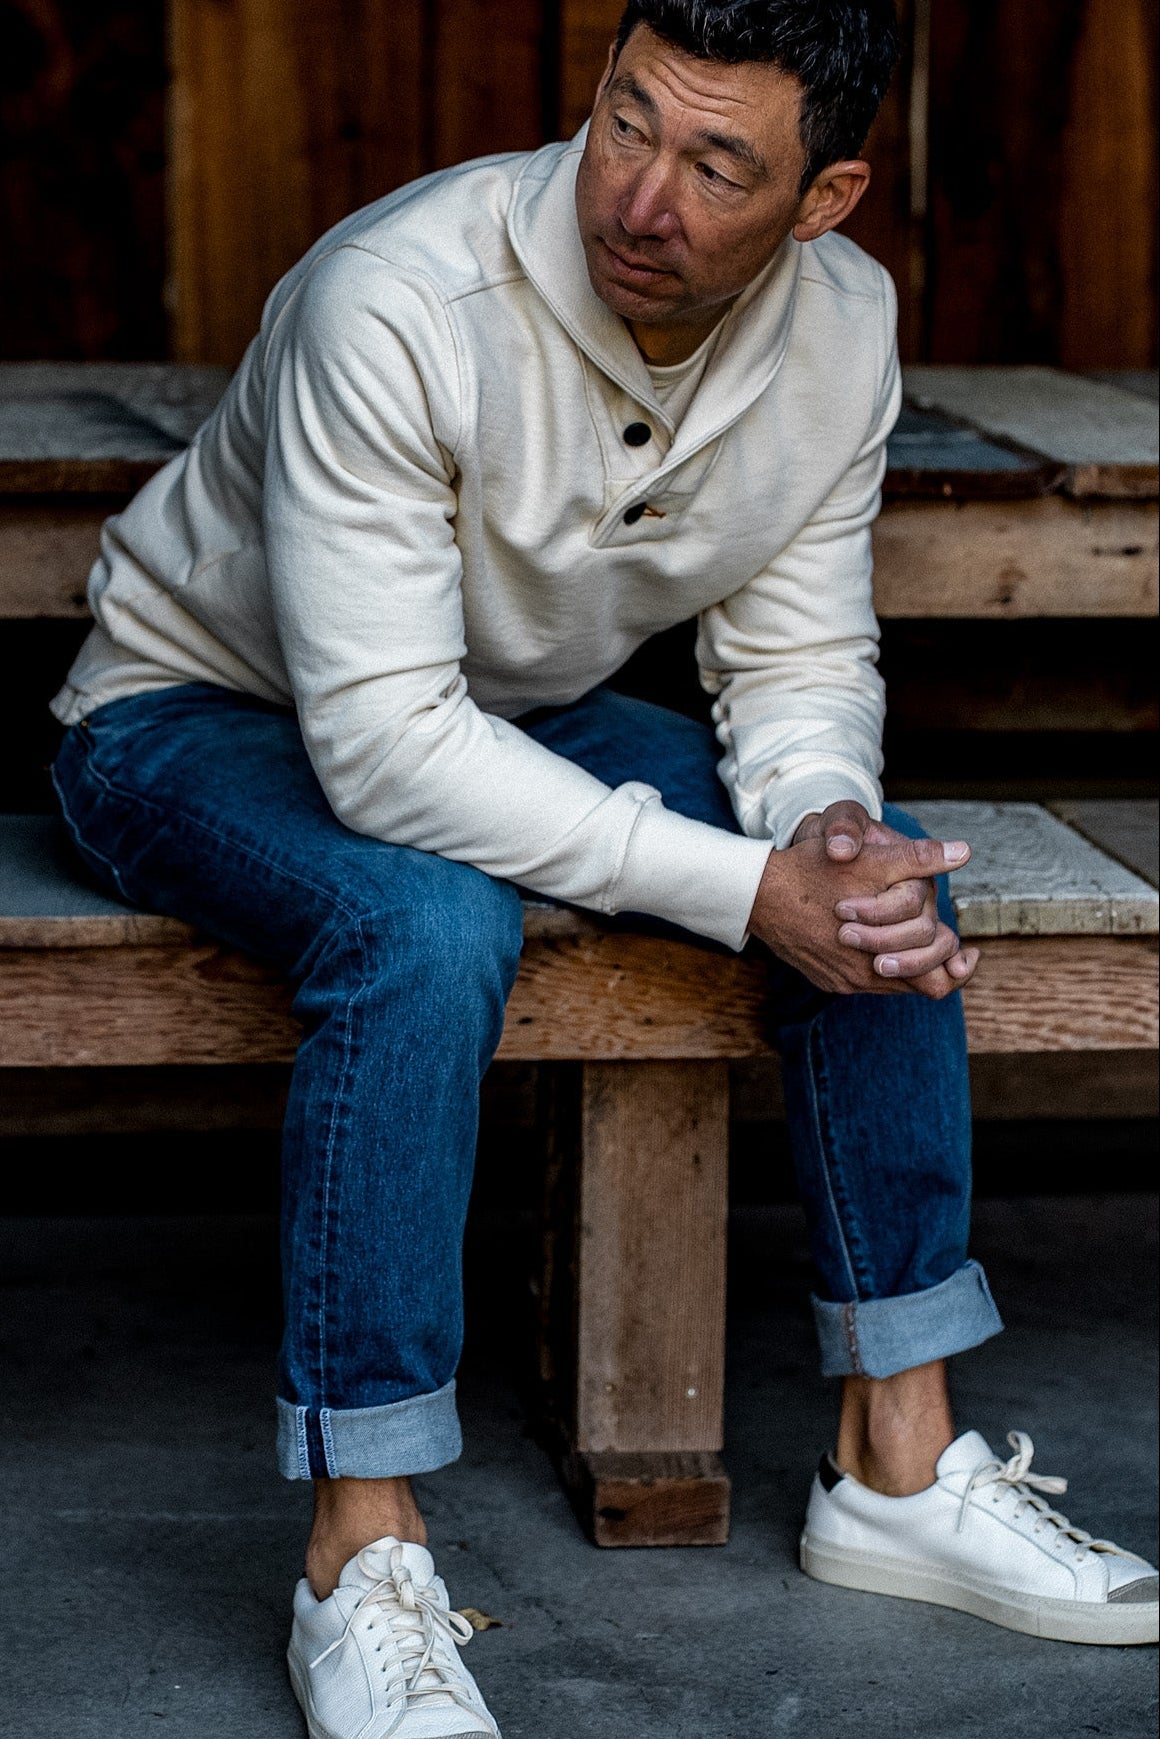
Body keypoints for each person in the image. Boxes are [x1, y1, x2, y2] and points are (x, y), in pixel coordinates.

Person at [50, 1, 1157, 1732]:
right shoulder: (397, 295)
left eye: (716, 164)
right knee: (426, 923)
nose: (638, 199)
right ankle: (360, 1556)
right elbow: (384, 751)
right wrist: (743, 887)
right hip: (191, 716)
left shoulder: (842, 326)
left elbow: (795, 660)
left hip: (502, 704)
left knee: (876, 879)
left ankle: (899, 1464)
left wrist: (818, 819)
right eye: (626, 122)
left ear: (825, 199)